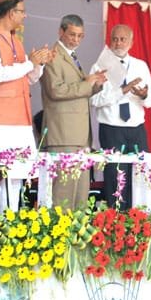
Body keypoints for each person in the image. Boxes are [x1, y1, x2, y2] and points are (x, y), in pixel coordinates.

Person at [0, 0, 53, 213]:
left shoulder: (15, 40)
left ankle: (11, 226)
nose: (24, 16)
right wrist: (29, 63)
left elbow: (28, 78)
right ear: (11, 13)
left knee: (17, 176)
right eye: (21, 11)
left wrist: (39, 65)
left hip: (20, 119)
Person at [40, 14, 106, 210]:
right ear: (61, 32)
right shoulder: (53, 56)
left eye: (80, 36)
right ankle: (59, 238)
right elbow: (56, 90)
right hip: (63, 134)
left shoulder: (72, 56)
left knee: (81, 195)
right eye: (72, 34)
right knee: (63, 194)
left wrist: (96, 85)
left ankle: (76, 239)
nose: (76, 39)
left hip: (79, 135)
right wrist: (87, 84)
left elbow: (78, 89)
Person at [91, 24, 151, 209]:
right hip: (112, 128)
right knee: (115, 176)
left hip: (136, 128)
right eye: (115, 39)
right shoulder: (99, 66)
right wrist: (122, 90)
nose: (118, 43)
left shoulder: (140, 65)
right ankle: (116, 219)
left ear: (131, 42)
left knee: (141, 174)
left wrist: (144, 95)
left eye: (123, 39)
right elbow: (94, 99)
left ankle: (141, 216)